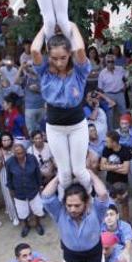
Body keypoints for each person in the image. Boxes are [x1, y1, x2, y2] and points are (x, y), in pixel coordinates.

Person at [30, 21, 92, 190]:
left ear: (69, 55)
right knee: (64, 173)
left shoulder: (79, 71)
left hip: (77, 125)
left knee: (79, 170)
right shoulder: (44, 72)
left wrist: (71, 26)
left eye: (63, 58)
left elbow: (79, 50)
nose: (59, 62)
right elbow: (35, 50)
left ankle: (89, 197)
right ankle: (66, 201)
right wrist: (46, 27)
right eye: (54, 58)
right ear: (48, 56)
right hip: (55, 127)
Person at [40, 171, 109, 262]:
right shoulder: (59, 213)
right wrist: (59, 176)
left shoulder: (96, 213)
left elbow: (102, 194)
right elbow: (46, 196)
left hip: (94, 261)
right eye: (69, 205)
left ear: (86, 203)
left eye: (77, 205)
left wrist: (88, 173)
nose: (72, 209)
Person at [5, 142, 45, 238]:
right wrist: (11, 191)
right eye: (17, 153)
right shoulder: (9, 162)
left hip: (33, 190)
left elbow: (37, 173)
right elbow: (9, 178)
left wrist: (40, 186)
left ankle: (37, 224)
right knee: (22, 213)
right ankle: (26, 226)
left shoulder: (32, 158)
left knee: (38, 209)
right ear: (14, 154)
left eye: (22, 152)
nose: (20, 155)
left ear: (25, 152)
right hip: (19, 192)